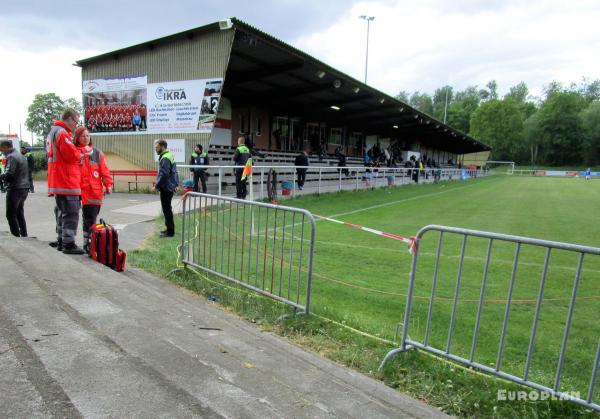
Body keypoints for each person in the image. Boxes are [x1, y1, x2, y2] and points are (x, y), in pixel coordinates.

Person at [47, 108, 86, 254]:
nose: (76, 125)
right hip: (66, 180)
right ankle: (68, 244)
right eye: (76, 121)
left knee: (62, 212)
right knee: (71, 212)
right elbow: (71, 155)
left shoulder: (53, 132)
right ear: (69, 119)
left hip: (59, 179)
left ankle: (61, 240)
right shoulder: (62, 133)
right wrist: (80, 155)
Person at [73, 127, 113, 253]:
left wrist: (108, 184)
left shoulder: (97, 153)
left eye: (88, 135)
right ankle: (82, 243)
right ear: (77, 138)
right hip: (77, 191)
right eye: (83, 136)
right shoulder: (74, 151)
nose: (86, 138)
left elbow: (104, 170)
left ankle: (88, 244)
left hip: (93, 192)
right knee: (74, 218)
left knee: (90, 220)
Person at [0, 140, 29, 237]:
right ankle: (24, 234)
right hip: (24, 187)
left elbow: (9, 173)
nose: (1, 152)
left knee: (11, 214)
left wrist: (1, 176)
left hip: (15, 188)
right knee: (19, 212)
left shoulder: (11, 156)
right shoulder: (20, 155)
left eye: (1, 149)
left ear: (5, 147)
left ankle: (15, 236)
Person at [152, 139, 179, 238]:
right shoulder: (168, 156)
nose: (156, 149)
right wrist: (175, 184)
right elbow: (174, 172)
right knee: (167, 209)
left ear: (163, 147)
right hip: (169, 186)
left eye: (157, 147)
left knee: (167, 209)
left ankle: (170, 232)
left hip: (166, 187)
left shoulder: (165, 158)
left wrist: (156, 186)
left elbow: (164, 174)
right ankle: (169, 229)